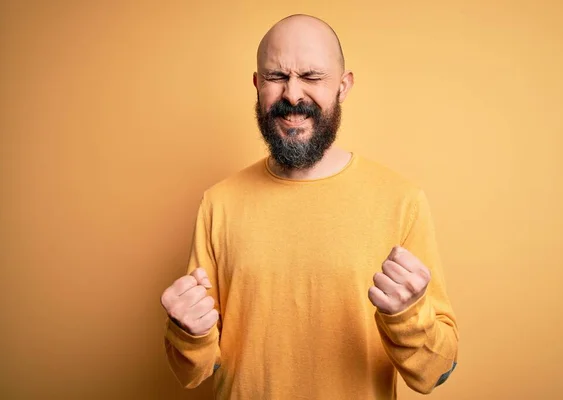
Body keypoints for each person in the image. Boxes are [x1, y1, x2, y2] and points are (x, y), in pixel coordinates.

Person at [161, 14, 459, 400]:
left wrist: (407, 316)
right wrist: (188, 333)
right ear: (257, 86)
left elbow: (434, 373)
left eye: (312, 76)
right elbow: (195, 371)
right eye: (276, 77)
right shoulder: (218, 203)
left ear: (343, 86)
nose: (293, 95)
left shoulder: (402, 201)